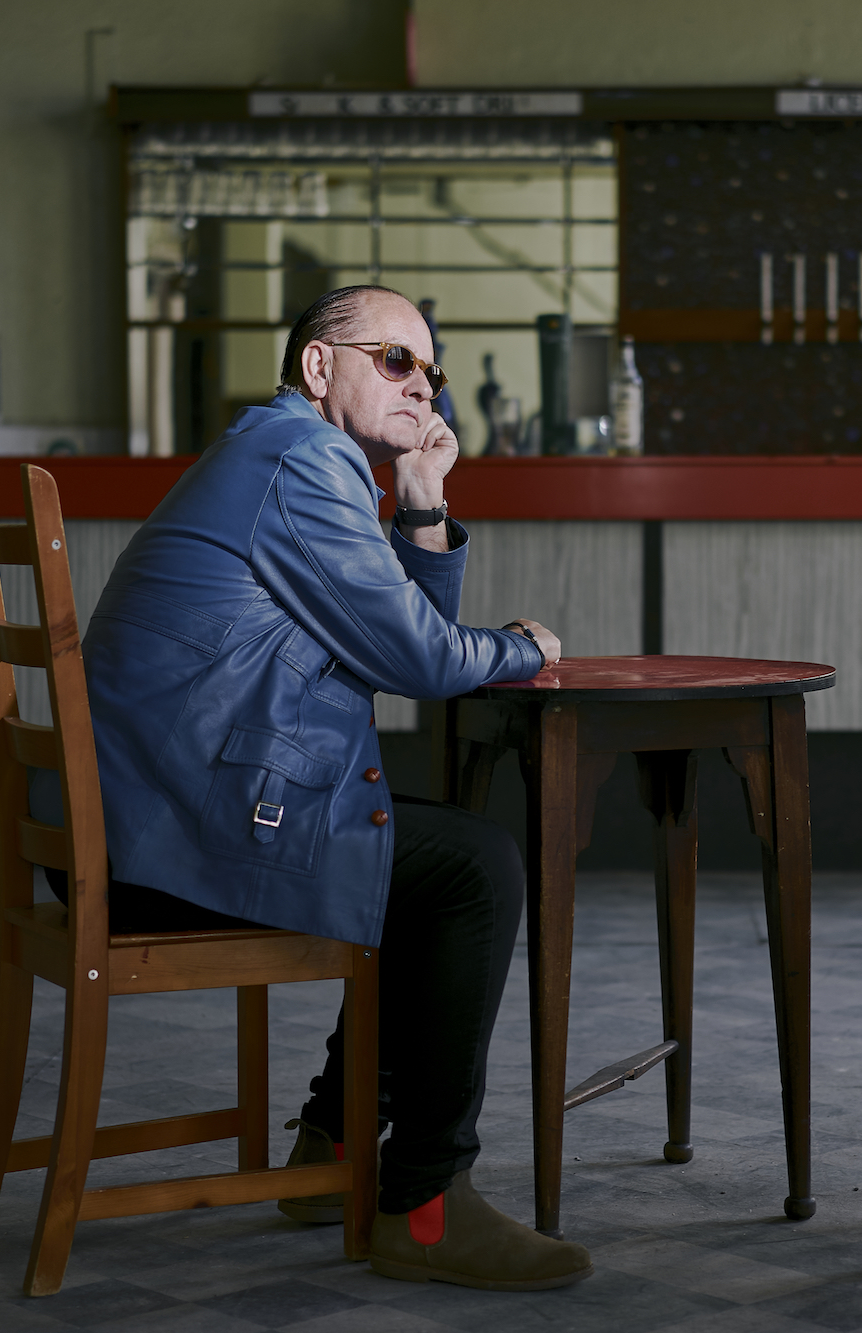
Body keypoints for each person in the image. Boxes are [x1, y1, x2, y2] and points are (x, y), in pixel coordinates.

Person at [53, 285, 589, 1291]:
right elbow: (422, 659)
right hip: (167, 843)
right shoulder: (300, 460)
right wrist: (519, 650)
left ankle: (330, 1153)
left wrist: (421, 501)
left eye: (428, 370)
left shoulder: (286, 456)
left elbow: (392, 636)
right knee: (471, 869)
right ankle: (425, 1207)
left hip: (146, 825)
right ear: (315, 367)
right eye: (395, 360)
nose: (420, 385)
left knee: (418, 859)